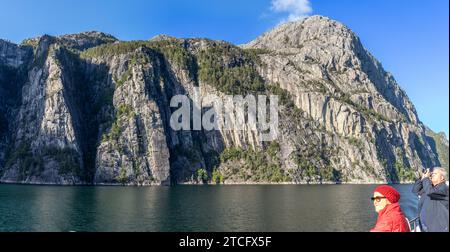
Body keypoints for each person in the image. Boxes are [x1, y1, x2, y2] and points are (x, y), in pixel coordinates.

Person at [412, 167, 449, 232]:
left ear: (442, 178)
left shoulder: (444, 189)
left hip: (439, 228)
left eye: (434, 174)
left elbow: (430, 192)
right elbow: (415, 190)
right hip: (426, 228)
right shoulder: (430, 188)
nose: (431, 175)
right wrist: (422, 177)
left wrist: (426, 178)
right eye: (431, 174)